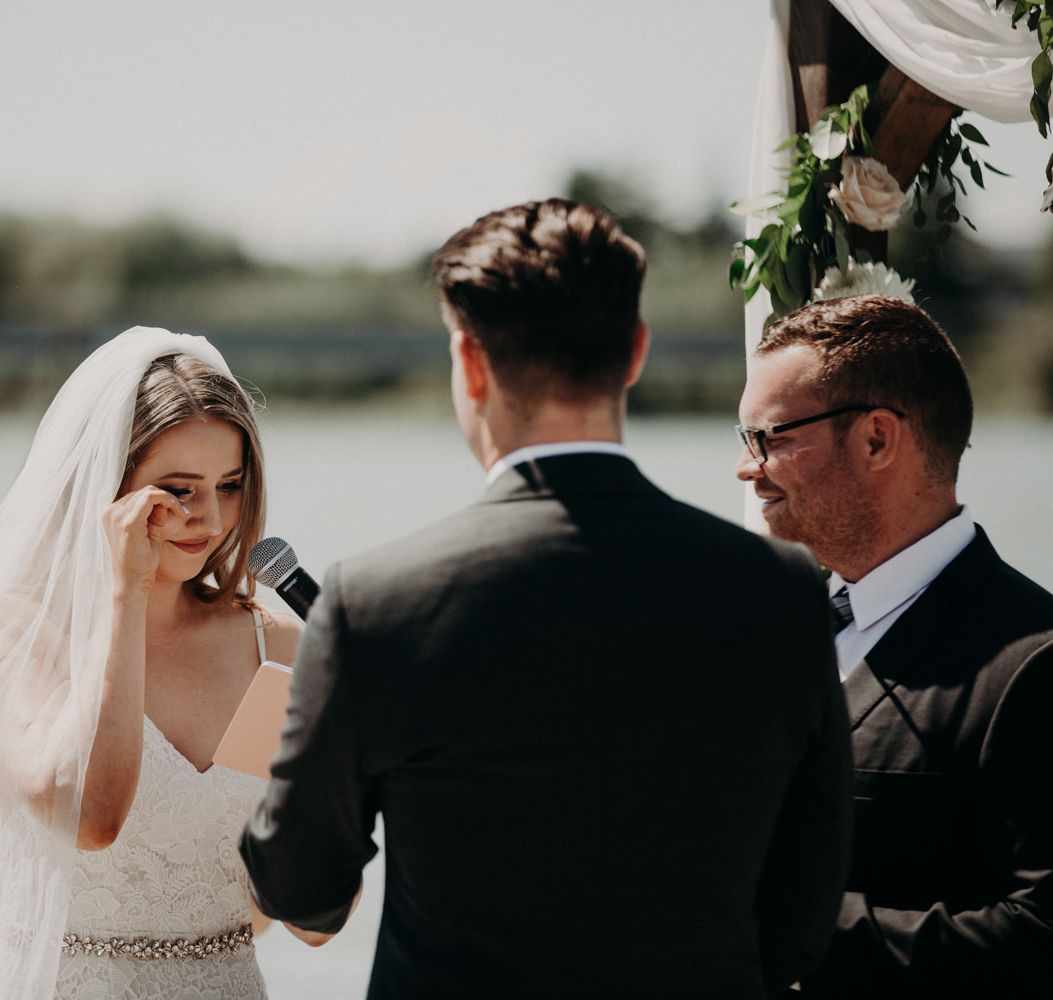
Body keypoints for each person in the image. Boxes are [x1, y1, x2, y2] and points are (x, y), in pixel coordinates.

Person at [240, 199, 853, 998]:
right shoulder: (781, 593)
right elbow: (806, 913)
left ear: (468, 363)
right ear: (634, 353)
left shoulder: (375, 605)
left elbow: (298, 887)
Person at [735, 293, 1053, 999]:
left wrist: (785, 925)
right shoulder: (780, 630)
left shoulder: (1049, 669)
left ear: (877, 440)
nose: (748, 467)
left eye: (770, 438)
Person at [0, 327, 309, 1000]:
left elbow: (303, 918)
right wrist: (124, 591)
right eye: (177, 488)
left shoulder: (275, 646)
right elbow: (91, 818)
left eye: (230, 484)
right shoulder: (8, 633)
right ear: (103, 486)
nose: (208, 517)